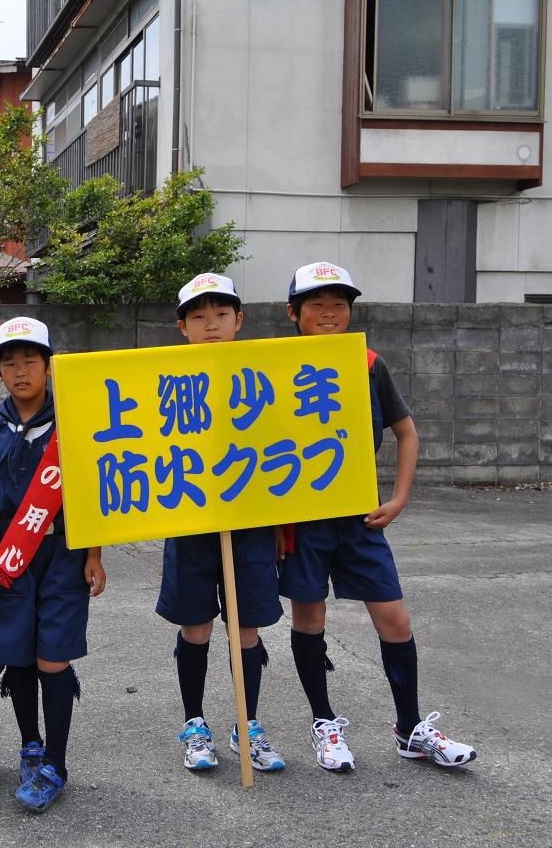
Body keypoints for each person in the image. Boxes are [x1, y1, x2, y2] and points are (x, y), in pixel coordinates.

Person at [280, 262, 477, 771]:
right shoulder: (273, 368)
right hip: (300, 520)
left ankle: (410, 728)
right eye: (317, 305)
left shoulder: (368, 364)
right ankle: (324, 724)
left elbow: (406, 432)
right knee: (311, 616)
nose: (329, 313)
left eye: (339, 304)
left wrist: (399, 496)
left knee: (394, 618)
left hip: (359, 518)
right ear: (293, 313)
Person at [0, 316, 107, 813]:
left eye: (30, 361)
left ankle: (56, 765)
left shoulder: (74, 427)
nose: (21, 371)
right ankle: (30, 745)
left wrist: (94, 555)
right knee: (18, 656)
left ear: (48, 366)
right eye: (10, 363)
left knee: (53, 657)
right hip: (7, 559)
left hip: (63, 555)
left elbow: (92, 494)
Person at [158, 274, 288, 773]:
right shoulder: (163, 377)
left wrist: (278, 521)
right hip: (190, 521)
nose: (210, 326)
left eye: (220, 315)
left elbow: (283, 452)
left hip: (250, 523)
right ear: (182, 327)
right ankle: (195, 724)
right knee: (195, 627)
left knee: (247, 629)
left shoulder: (263, 376)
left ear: (239, 320)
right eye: (198, 317)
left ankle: (247, 723)